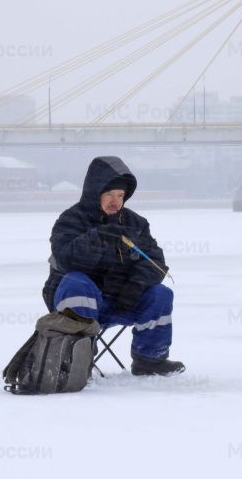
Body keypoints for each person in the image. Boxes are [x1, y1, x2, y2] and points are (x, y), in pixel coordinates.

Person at [42, 156, 185, 376]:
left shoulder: (135, 223)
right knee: (76, 280)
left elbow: (155, 261)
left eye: (120, 195)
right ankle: (79, 361)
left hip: (121, 301)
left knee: (160, 293)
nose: (115, 201)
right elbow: (66, 259)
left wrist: (135, 286)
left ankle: (150, 359)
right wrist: (97, 238)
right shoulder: (70, 220)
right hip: (75, 302)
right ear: (94, 192)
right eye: (109, 194)